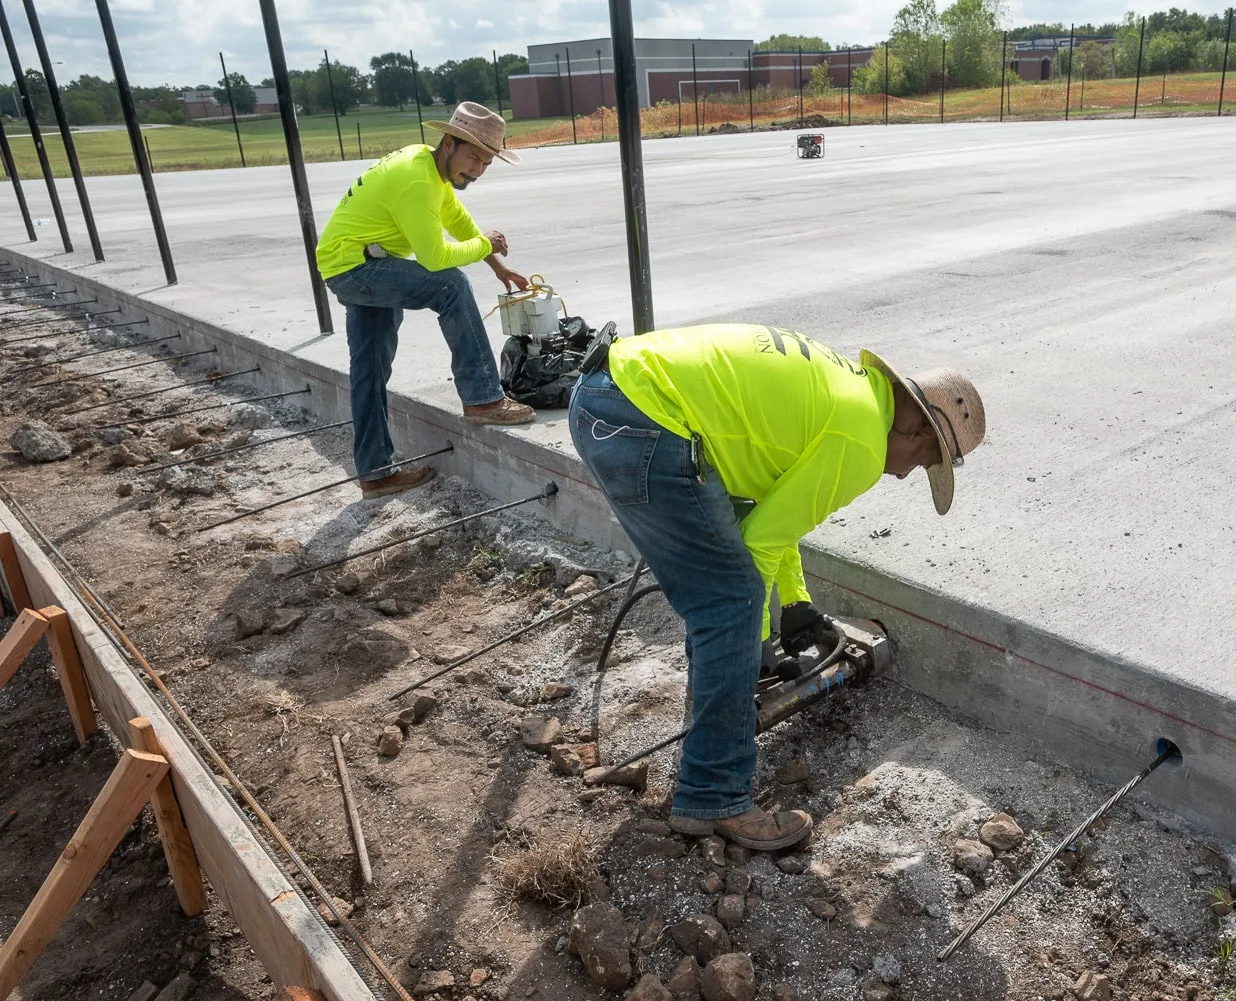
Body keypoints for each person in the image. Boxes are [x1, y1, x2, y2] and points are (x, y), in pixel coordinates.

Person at [569, 324, 987, 850]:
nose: (905, 476)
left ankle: (710, 728)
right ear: (918, 433)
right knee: (730, 601)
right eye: (923, 463)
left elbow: (770, 514)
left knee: (723, 599)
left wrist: (795, 605)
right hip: (642, 420)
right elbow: (760, 547)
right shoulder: (858, 442)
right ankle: (714, 794)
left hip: (609, 397)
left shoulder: (853, 396)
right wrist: (758, 638)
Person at [316, 102, 535, 499]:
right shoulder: (417, 181)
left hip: (350, 264)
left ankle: (376, 473)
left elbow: (458, 221)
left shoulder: (429, 166)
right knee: (450, 285)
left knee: (369, 369)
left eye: (487, 163)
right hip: (357, 269)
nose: (479, 171)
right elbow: (435, 260)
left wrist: (498, 267)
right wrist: (486, 244)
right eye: (474, 159)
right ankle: (483, 399)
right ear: (449, 143)